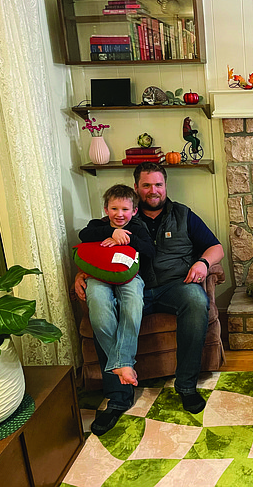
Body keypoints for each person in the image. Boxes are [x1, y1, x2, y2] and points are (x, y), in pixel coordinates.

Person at [75, 162, 224, 434]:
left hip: (174, 286)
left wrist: (203, 263)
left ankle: (187, 385)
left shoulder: (183, 214)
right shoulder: (122, 215)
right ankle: (118, 398)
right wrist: (83, 274)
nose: (153, 190)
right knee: (101, 308)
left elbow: (216, 247)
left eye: (158, 184)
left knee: (196, 301)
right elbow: (92, 246)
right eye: (146, 185)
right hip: (129, 286)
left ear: (166, 186)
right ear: (136, 188)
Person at [78, 184, 155, 391]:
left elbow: (150, 251)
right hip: (99, 277)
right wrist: (113, 231)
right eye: (114, 209)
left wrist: (126, 238)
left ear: (134, 211)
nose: (119, 214)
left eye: (125, 209)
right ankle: (124, 364)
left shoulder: (138, 228)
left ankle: (119, 363)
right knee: (99, 308)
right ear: (106, 209)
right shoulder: (97, 225)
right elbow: (84, 236)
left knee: (132, 306)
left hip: (131, 277)